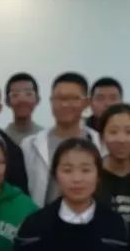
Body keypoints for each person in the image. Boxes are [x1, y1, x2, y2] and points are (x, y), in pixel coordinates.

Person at [20, 72, 102, 205]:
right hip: (42, 215)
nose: (64, 104)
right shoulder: (29, 145)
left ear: (86, 103)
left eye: (73, 98)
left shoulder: (99, 143)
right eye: (59, 98)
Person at [96, 103, 130, 227]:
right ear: (102, 137)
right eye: (113, 132)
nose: (121, 139)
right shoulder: (91, 175)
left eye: (129, 132)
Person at [3, 72, 43, 144]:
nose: (22, 100)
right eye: (15, 95)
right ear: (7, 101)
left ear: (37, 99)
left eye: (28, 94)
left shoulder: (44, 138)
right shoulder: (2, 138)